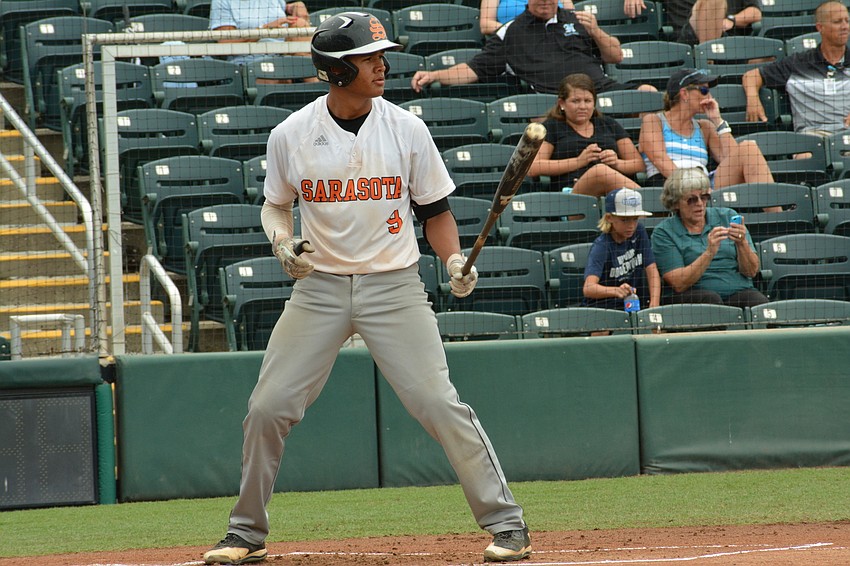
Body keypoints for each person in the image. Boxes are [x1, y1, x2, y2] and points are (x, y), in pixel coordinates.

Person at [202, 12, 531, 566]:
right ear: (336, 71)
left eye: (381, 53)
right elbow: (276, 205)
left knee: (436, 402)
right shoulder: (291, 135)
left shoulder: (406, 128)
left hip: (394, 286)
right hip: (320, 289)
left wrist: (452, 259)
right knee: (267, 407)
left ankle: (507, 523)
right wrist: (283, 244)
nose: (383, 64)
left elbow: (435, 211)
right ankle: (245, 533)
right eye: (369, 57)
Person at [411, 0, 656, 96]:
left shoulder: (577, 19)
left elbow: (616, 55)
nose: (546, 2)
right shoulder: (512, 31)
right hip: (555, 101)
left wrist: (596, 31)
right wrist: (434, 75)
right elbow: (475, 69)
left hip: (600, 90)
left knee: (648, 93)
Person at [650, 167, 768, 307]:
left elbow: (751, 271)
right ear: (675, 203)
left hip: (738, 291)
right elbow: (678, 283)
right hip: (695, 296)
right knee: (711, 301)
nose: (700, 203)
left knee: (758, 303)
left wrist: (742, 243)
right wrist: (709, 252)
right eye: (691, 200)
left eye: (704, 197)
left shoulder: (727, 216)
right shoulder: (664, 232)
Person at [639, 68, 776, 189]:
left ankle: (777, 215)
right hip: (671, 185)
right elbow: (660, 160)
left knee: (748, 149)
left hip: (704, 185)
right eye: (704, 90)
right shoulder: (653, 121)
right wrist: (691, 186)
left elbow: (731, 160)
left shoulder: (705, 127)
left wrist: (718, 120)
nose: (709, 96)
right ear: (684, 94)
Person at [743, 0, 850, 136]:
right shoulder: (798, 63)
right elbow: (751, 76)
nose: (845, 26)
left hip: (847, 135)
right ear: (820, 27)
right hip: (813, 137)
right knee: (803, 155)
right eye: (837, 22)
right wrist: (753, 99)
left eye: (847, 21)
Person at [527, 73, 645, 195]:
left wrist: (616, 163)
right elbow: (533, 167)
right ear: (562, 103)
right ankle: (648, 203)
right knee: (599, 171)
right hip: (572, 192)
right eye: (576, 101)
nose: (582, 106)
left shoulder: (608, 124)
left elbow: (639, 164)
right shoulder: (552, 127)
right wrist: (578, 161)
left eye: (587, 101)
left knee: (602, 171)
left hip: (615, 192)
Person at [583, 188, 661, 311]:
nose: (631, 225)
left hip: (633, 302)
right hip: (603, 306)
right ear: (609, 218)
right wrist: (616, 290)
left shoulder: (639, 232)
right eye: (624, 220)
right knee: (601, 331)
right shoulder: (601, 246)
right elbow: (589, 288)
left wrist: (654, 303)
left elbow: (651, 269)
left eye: (635, 219)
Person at [209, 0, 312, 63]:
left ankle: (317, 91)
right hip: (251, 58)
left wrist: (297, 5)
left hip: (283, 54)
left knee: (300, 24)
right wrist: (265, 30)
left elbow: (284, 7)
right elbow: (226, 42)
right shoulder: (221, 2)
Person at [626, 0, 762, 45]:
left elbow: (755, 12)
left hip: (729, 38)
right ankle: (707, 61)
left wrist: (732, 19)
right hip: (688, 38)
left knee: (766, 53)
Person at [480, 0, 561, 35]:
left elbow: (570, 15)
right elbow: (485, 25)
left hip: (556, 38)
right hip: (515, 42)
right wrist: (519, 31)